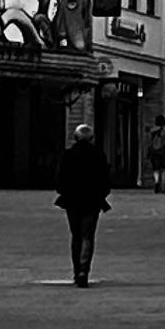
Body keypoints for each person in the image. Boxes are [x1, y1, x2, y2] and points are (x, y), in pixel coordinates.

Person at [55, 118, 112, 285]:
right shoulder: (98, 155)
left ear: (75, 137)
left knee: (76, 236)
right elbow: (105, 179)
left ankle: (76, 271)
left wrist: (64, 191)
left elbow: (60, 179)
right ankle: (84, 270)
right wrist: (102, 194)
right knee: (88, 235)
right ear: (92, 138)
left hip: (72, 200)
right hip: (92, 200)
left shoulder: (68, 155)